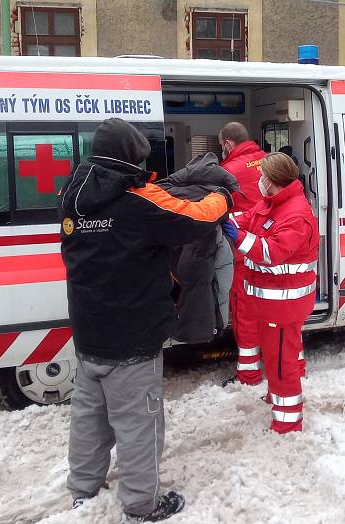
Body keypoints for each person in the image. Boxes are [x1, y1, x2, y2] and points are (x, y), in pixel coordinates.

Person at [58, 118, 232, 523]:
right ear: (132, 159)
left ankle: (83, 492)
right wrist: (224, 196)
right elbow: (196, 217)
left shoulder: (72, 194)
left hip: (87, 331)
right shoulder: (138, 199)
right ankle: (141, 505)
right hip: (133, 337)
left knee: (89, 418)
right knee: (139, 425)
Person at [222, 152, 319, 433]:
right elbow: (250, 218)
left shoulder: (296, 214)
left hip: (284, 305)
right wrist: (224, 217)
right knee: (276, 359)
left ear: (272, 179)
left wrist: (235, 236)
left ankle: (287, 423)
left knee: (281, 364)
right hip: (271, 303)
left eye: (262, 176)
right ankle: (277, 398)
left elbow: (270, 252)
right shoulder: (273, 203)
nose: (259, 181)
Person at [157, 152, 239, 343]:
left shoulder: (164, 193)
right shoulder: (216, 203)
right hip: (198, 289)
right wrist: (219, 318)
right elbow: (223, 270)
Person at [218, 122, 268, 385]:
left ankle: (249, 374)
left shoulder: (227, 172)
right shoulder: (271, 163)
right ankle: (279, 366)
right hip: (273, 253)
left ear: (227, 144)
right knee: (271, 312)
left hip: (244, 254)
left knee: (245, 314)